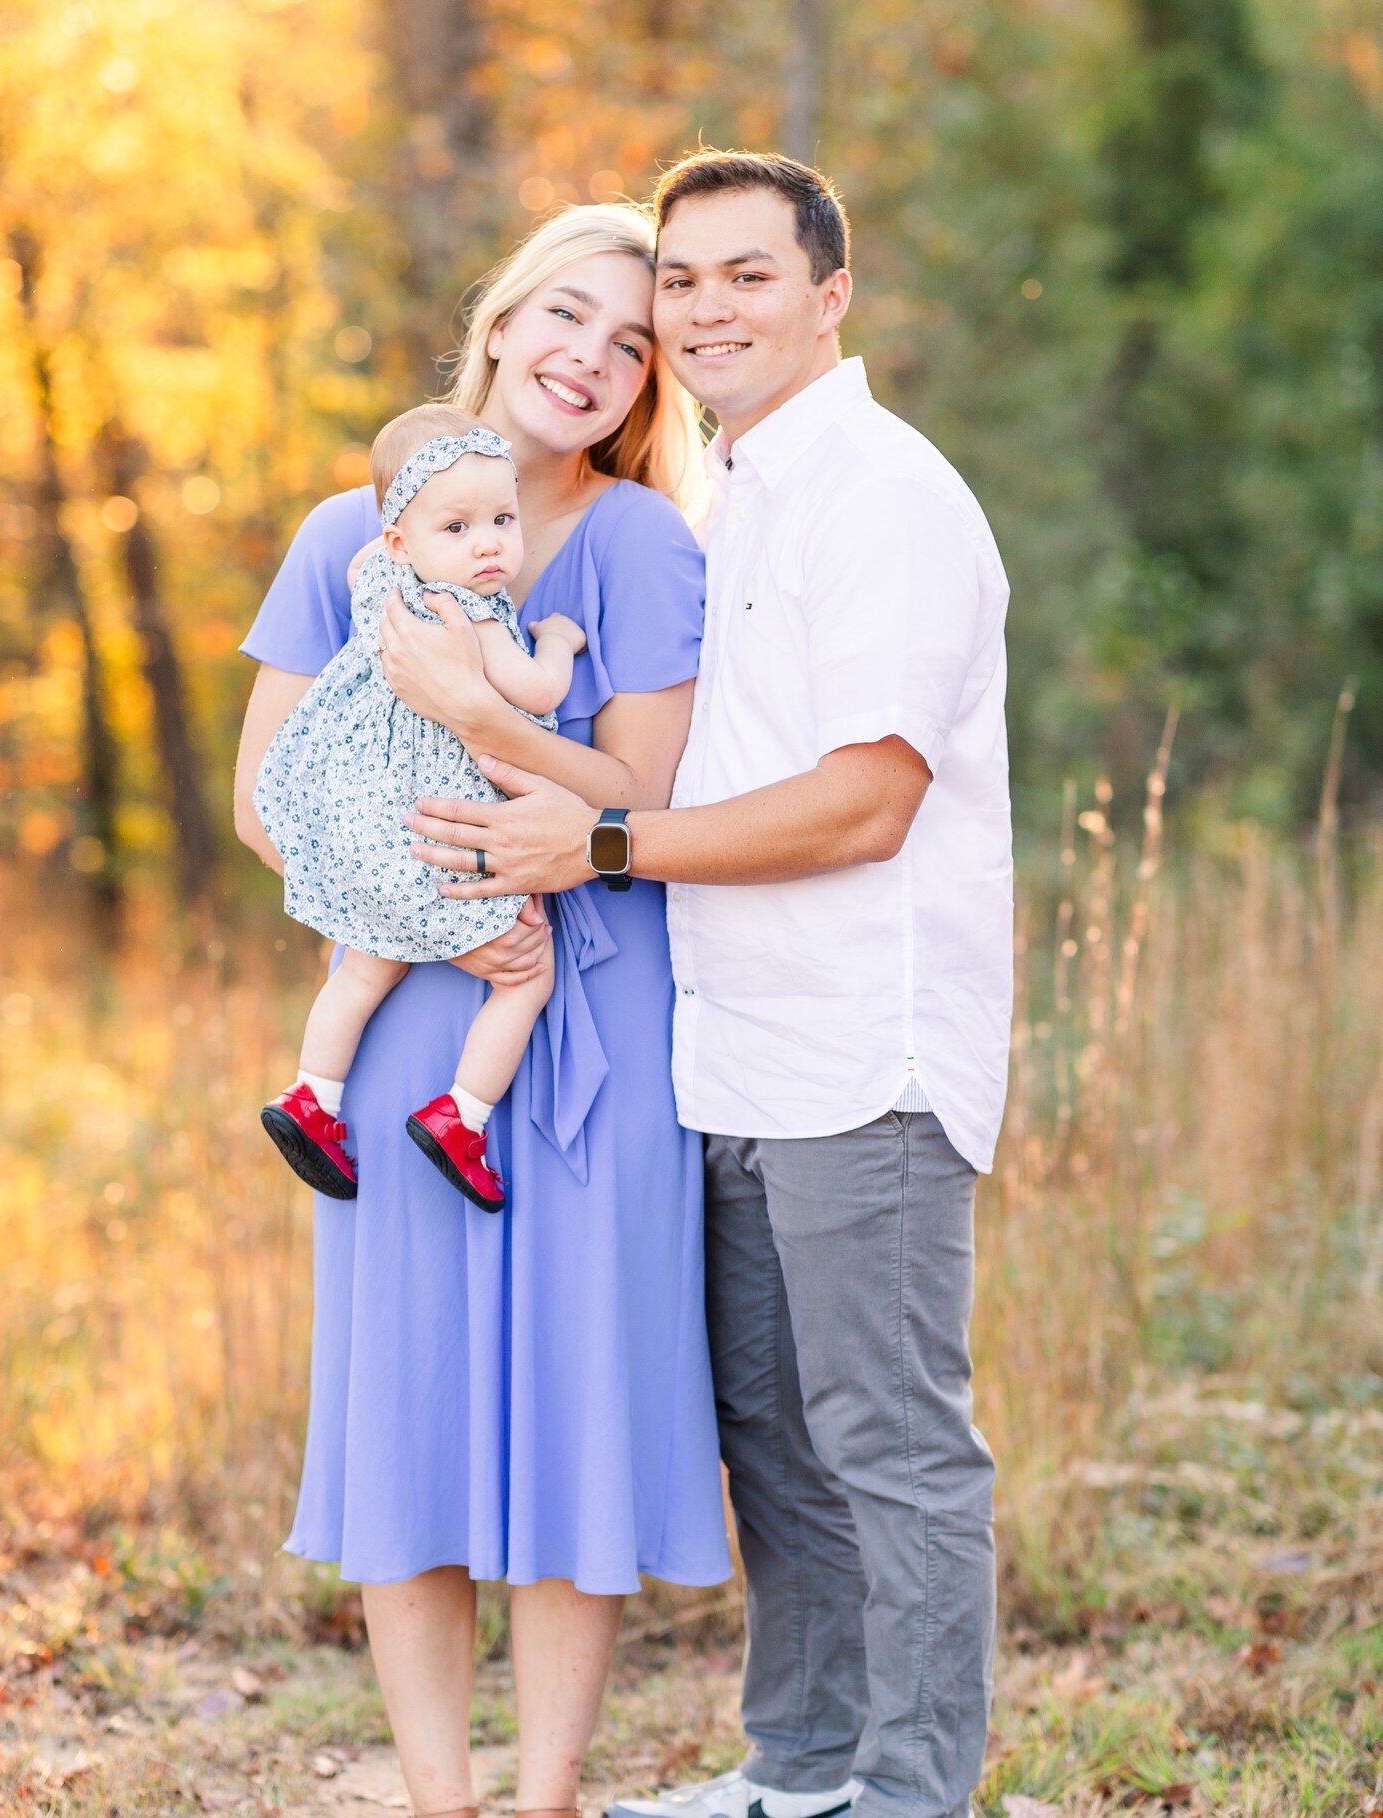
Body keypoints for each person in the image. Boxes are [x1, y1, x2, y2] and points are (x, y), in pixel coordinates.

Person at [406, 152, 1013, 1818]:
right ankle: (805, 1763)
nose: (705, 307)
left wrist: (600, 845)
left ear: (831, 296)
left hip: (862, 1048)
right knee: (780, 1441)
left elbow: (868, 799)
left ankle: (911, 1788)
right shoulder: (734, 501)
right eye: (685, 280)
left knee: (889, 1440)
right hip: (729, 1048)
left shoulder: (881, 494)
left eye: (750, 274)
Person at [233, 203, 732, 1818]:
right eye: (568, 316)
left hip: (600, 1021)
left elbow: (642, 798)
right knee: (414, 1410)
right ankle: (441, 1795)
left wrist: (469, 710)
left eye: (634, 339)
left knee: (578, 1399)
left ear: (649, 381)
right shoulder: (346, 537)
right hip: (407, 1022)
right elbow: (265, 800)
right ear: (504, 321)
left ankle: (547, 1797)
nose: (593, 355)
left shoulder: (647, 544)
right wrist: (432, 911)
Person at [253, 403, 588, 1211]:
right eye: (458, 526)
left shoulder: (377, 580)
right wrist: (560, 643)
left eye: (502, 519)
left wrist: (417, 533)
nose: (486, 544)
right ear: (406, 540)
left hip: (373, 830)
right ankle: (462, 1117)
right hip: (444, 831)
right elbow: (538, 691)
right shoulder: (472, 612)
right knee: (528, 976)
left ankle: (311, 1094)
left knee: (365, 966)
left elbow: (378, 546)